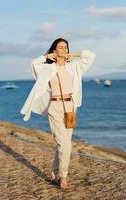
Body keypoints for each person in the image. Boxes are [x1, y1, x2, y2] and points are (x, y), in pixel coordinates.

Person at [20, 38, 96, 189]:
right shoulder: (48, 68)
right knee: (65, 144)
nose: (64, 50)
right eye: (60, 47)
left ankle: (55, 173)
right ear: (54, 51)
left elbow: (91, 56)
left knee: (63, 143)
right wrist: (46, 57)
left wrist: (72, 55)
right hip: (54, 107)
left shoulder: (74, 67)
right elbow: (33, 64)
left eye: (65, 47)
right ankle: (63, 176)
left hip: (70, 107)